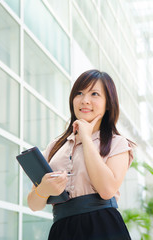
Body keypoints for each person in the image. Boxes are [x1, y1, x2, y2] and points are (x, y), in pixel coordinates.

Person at [27, 69, 134, 240]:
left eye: (94, 94)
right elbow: (33, 205)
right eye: (79, 93)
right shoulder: (55, 146)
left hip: (103, 226)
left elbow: (107, 190)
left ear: (108, 103)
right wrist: (44, 190)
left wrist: (86, 136)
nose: (85, 100)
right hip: (61, 229)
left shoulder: (117, 143)